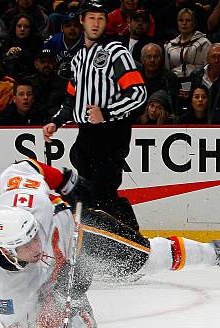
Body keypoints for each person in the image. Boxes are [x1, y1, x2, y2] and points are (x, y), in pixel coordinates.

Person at [0, 159, 220, 328]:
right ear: (7, 251)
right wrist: (50, 314)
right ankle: (76, 303)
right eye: (27, 246)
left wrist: (68, 183)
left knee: (143, 259)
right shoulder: (6, 288)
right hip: (51, 284)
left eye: (34, 236)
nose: (36, 246)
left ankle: (214, 252)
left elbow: (21, 166)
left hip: (77, 231)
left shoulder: (29, 201)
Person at [42, 0, 147, 231]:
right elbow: (72, 98)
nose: (96, 23)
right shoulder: (78, 58)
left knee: (103, 192)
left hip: (112, 133)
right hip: (86, 134)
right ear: (82, 21)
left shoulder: (116, 52)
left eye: (100, 18)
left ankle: (133, 240)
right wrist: (56, 121)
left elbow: (138, 93)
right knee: (88, 192)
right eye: (91, 18)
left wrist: (106, 112)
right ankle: (98, 241)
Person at [187, 42, 220, 123]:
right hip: (197, 116)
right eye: (213, 57)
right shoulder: (196, 75)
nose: (216, 60)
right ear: (207, 59)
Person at [164, 8, 211, 80]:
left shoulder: (204, 43)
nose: (184, 23)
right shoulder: (170, 45)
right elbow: (167, 70)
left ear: (194, 23)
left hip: (198, 82)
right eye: (181, 20)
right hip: (175, 82)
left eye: (188, 20)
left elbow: (209, 67)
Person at [138, 43, 180, 119]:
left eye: (156, 57)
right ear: (142, 60)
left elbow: (173, 105)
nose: (152, 60)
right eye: (148, 57)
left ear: (161, 59)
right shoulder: (136, 77)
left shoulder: (169, 78)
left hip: (163, 118)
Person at [0, 13, 44, 80]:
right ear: (14, 27)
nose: (22, 29)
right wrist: (7, 55)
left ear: (31, 29)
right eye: (19, 26)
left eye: (26, 27)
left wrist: (23, 54)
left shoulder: (38, 44)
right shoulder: (6, 43)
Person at [24, 48, 67, 117]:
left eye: (50, 62)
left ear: (54, 63)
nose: (46, 65)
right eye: (42, 62)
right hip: (32, 120)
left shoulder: (64, 83)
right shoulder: (27, 83)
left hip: (56, 120)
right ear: (36, 64)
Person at [43, 11, 84, 80]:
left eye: (76, 26)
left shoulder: (87, 42)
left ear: (81, 29)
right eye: (68, 25)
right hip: (55, 78)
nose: (72, 29)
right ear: (62, 28)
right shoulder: (53, 40)